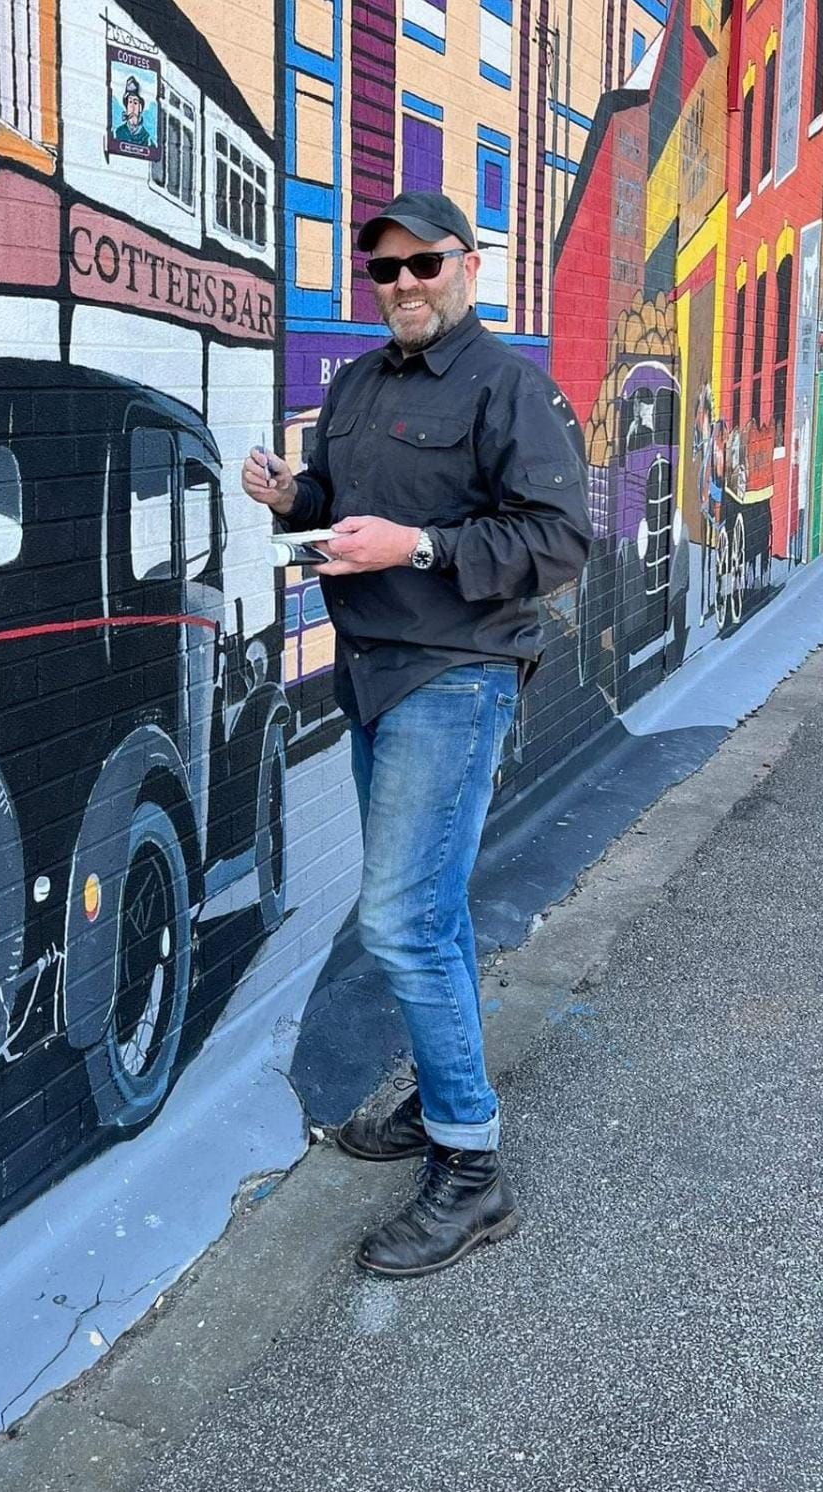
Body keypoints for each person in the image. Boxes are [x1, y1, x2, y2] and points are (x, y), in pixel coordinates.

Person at [241, 189, 591, 1278]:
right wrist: (291, 494)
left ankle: (473, 1168)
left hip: (456, 674)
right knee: (421, 917)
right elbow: (343, 500)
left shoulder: (509, 388)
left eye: (421, 264)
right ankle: (445, 1106)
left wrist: (422, 548)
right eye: (382, 270)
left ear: (468, 266)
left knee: (400, 919)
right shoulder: (354, 383)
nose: (400, 285)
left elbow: (559, 539)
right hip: (373, 674)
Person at [116, 74, 152, 146]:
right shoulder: (119, 132)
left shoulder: (147, 138)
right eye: (130, 102)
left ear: (140, 107)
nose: (132, 107)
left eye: (135, 103)